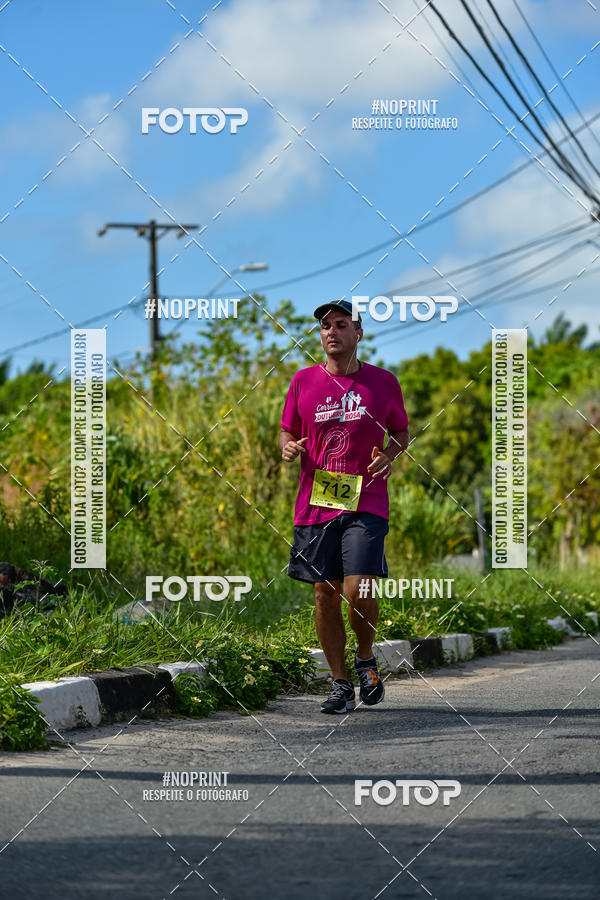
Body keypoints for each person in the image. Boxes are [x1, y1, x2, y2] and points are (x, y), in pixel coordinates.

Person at [279, 299, 409, 714]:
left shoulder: (383, 382)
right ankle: (339, 684)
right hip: (317, 502)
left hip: (366, 499)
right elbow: (287, 432)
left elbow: (402, 433)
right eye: (324, 326)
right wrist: (289, 447)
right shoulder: (303, 382)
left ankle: (366, 657)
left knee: (359, 587)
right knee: (324, 593)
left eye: (340, 324)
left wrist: (388, 455)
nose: (330, 332)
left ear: (358, 334)